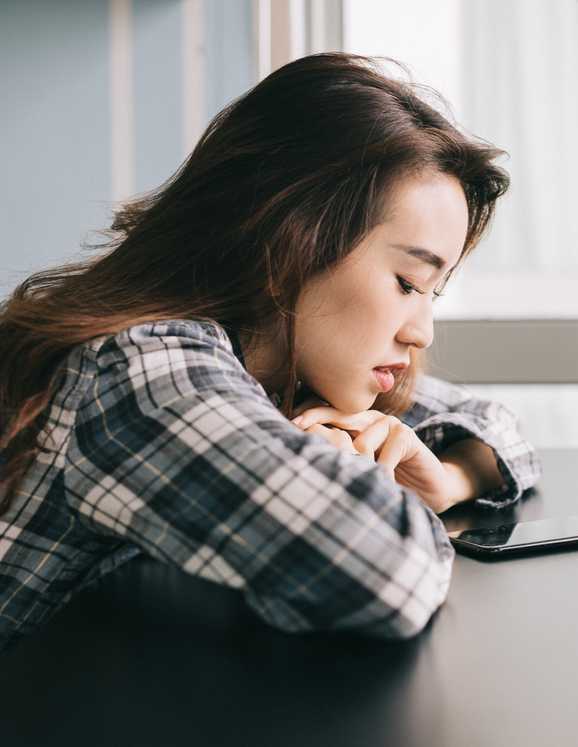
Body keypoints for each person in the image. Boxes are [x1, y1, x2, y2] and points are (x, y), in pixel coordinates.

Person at [0, 52, 542, 653]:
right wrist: (352, 478)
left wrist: (446, 479)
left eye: (434, 295)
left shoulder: (274, 372)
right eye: (408, 284)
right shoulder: (142, 373)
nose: (422, 332)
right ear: (290, 241)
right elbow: (385, 574)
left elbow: (498, 426)